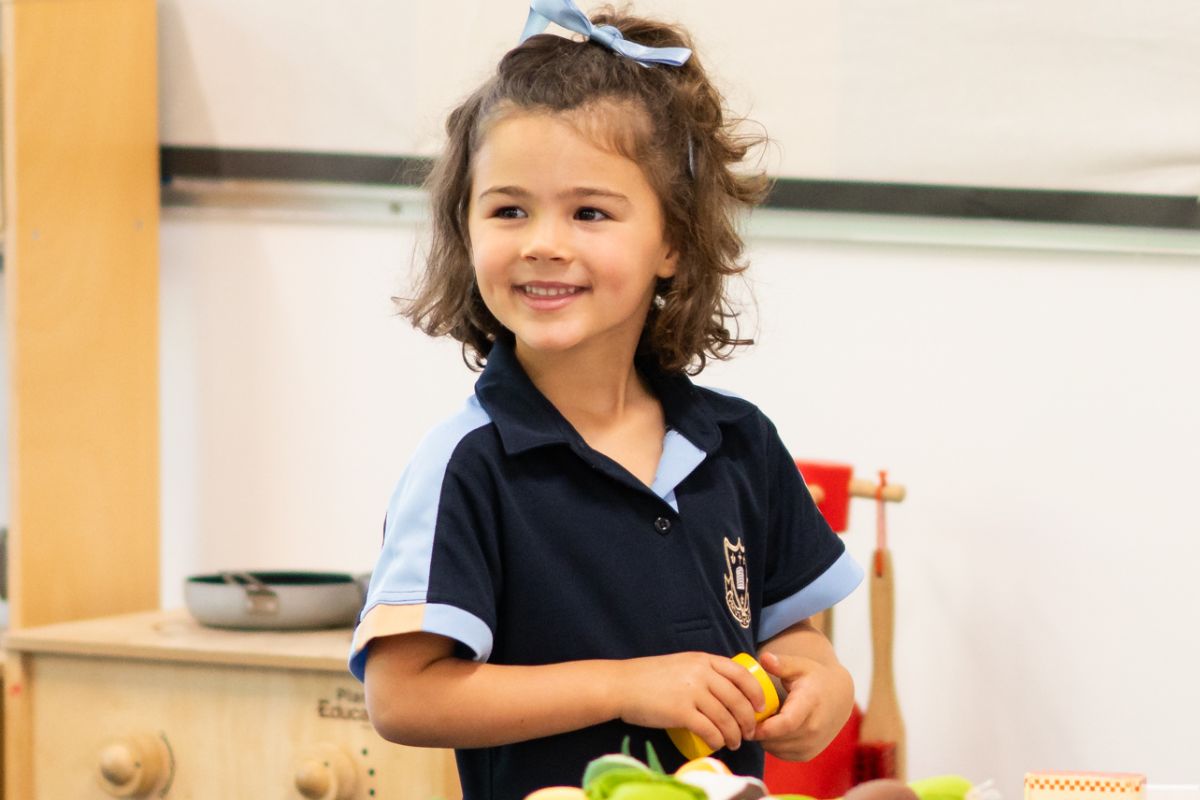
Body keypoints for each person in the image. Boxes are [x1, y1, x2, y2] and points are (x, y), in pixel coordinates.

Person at [349, 2, 864, 797]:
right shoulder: (467, 467)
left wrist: (822, 686)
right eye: (508, 209)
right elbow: (403, 695)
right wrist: (626, 686)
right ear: (465, 226)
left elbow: (798, 637)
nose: (543, 241)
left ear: (673, 244)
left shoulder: (739, 445)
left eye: (589, 212)